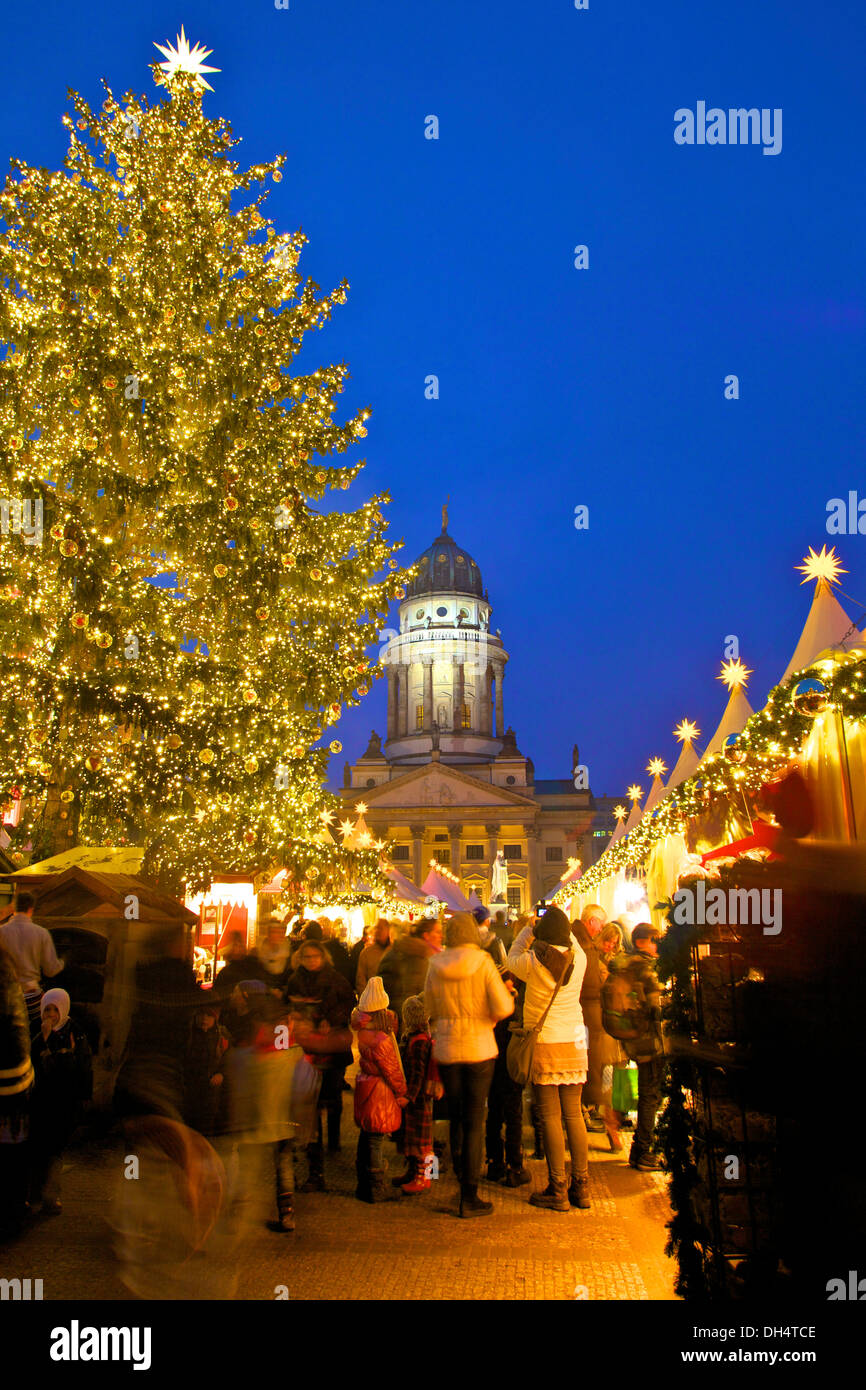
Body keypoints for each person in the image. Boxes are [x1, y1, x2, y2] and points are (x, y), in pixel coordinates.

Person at [424, 912, 514, 1218]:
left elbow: (429, 1007)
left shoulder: (435, 965)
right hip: (479, 1048)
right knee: (476, 1119)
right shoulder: (484, 962)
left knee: (457, 1117)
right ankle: (469, 1194)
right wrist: (487, 1018)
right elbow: (504, 1005)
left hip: (448, 1050)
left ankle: (459, 1180)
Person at [507, 905, 591, 1213]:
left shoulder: (532, 961)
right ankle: (581, 1185)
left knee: (551, 1117)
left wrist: (529, 930)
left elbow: (509, 957)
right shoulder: (579, 958)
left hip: (546, 1041)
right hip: (575, 1040)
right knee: (574, 1115)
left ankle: (558, 1188)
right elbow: (573, 939)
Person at [114, 925, 203, 1122]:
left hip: (146, 1043)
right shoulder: (180, 972)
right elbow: (194, 1001)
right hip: (169, 1046)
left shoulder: (145, 970)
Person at [284, 939, 354, 1189]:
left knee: (332, 1095)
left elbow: (348, 1003)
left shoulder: (335, 979)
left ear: (323, 957)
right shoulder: (295, 980)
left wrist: (331, 1020)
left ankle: (333, 1137)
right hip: (308, 1048)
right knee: (310, 1104)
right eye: (306, 957)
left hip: (332, 1046)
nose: (311, 961)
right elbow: (289, 1006)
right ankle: (316, 1166)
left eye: (315, 956)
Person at [603, 924, 665, 1170]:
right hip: (650, 1040)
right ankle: (643, 1153)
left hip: (636, 1040)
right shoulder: (645, 968)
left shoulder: (626, 965)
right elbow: (656, 1006)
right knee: (650, 1096)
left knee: (647, 1094)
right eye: (654, 940)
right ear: (641, 942)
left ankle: (639, 1151)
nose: (657, 945)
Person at [28, 988, 93, 1216]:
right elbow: (29, 1061)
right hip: (39, 1101)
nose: (51, 1014)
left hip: (63, 1101)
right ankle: (33, 1195)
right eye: (47, 1009)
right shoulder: (36, 1030)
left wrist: (85, 1097)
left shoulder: (75, 1033)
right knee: (36, 1148)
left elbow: (79, 1068)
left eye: (55, 1009)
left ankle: (50, 1196)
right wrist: (43, 1039)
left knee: (55, 1150)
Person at [351, 977, 407, 1202]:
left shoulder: (364, 1030)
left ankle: (363, 1182)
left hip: (367, 1086)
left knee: (366, 1136)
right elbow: (391, 1069)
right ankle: (376, 1187)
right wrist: (402, 1092)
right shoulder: (381, 1038)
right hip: (380, 1091)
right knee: (376, 1139)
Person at [572, 906, 624, 1148]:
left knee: (612, 1075)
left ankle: (613, 1121)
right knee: (603, 1075)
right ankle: (606, 1122)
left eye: (614, 943)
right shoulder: (587, 952)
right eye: (607, 939)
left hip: (606, 1026)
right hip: (597, 1024)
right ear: (592, 923)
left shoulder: (591, 951)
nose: (610, 945)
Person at [0, 942, 34, 1236]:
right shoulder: (9, 978)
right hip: (19, 1080)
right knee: (13, 1152)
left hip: (7, 1082)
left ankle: (10, 1214)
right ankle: (13, 1211)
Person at [393, 994, 441, 1193]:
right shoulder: (418, 1038)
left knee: (423, 1142)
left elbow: (417, 1075)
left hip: (418, 1099)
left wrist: (408, 1096)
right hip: (419, 1099)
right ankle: (419, 1174)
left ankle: (425, 1178)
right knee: (419, 1140)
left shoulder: (418, 1042)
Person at [0, 891, 64, 1033]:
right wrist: (64, 961)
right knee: (33, 1038)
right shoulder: (41, 933)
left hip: (6, 997)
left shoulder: (1, 932)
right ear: (31, 909)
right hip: (32, 998)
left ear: (13, 909)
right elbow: (51, 970)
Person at [379, 916, 442, 1025]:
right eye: (437, 932)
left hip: (397, 1020)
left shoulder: (400, 951)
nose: (441, 936)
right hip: (409, 1024)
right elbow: (417, 996)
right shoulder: (418, 957)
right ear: (426, 936)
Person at [183, 1001, 229, 1137]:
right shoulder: (187, 1036)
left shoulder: (222, 1037)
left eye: (209, 1015)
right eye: (201, 1014)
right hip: (190, 1090)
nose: (204, 1019)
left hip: (211, 1091)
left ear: (215, 1018)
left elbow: (228, 1059)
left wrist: (221, 1074)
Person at [213, 932, 269, 999]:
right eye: (236, 945)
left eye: (240, 945)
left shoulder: (253, 966)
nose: (238, 948)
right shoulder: (225, 973)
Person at [356, 919, 392, 993]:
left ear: (388, 930)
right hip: (373, 998)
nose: (377, 931)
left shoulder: (394, 951)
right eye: (376, 928)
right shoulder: (366, 953)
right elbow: (361, 980)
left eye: (381, 928)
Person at [257, 918, 293, 993]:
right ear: (268, 934)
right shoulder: (259, 952)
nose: (280, 935)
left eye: (282, 932)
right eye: (275, 932)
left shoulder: (289, 951)